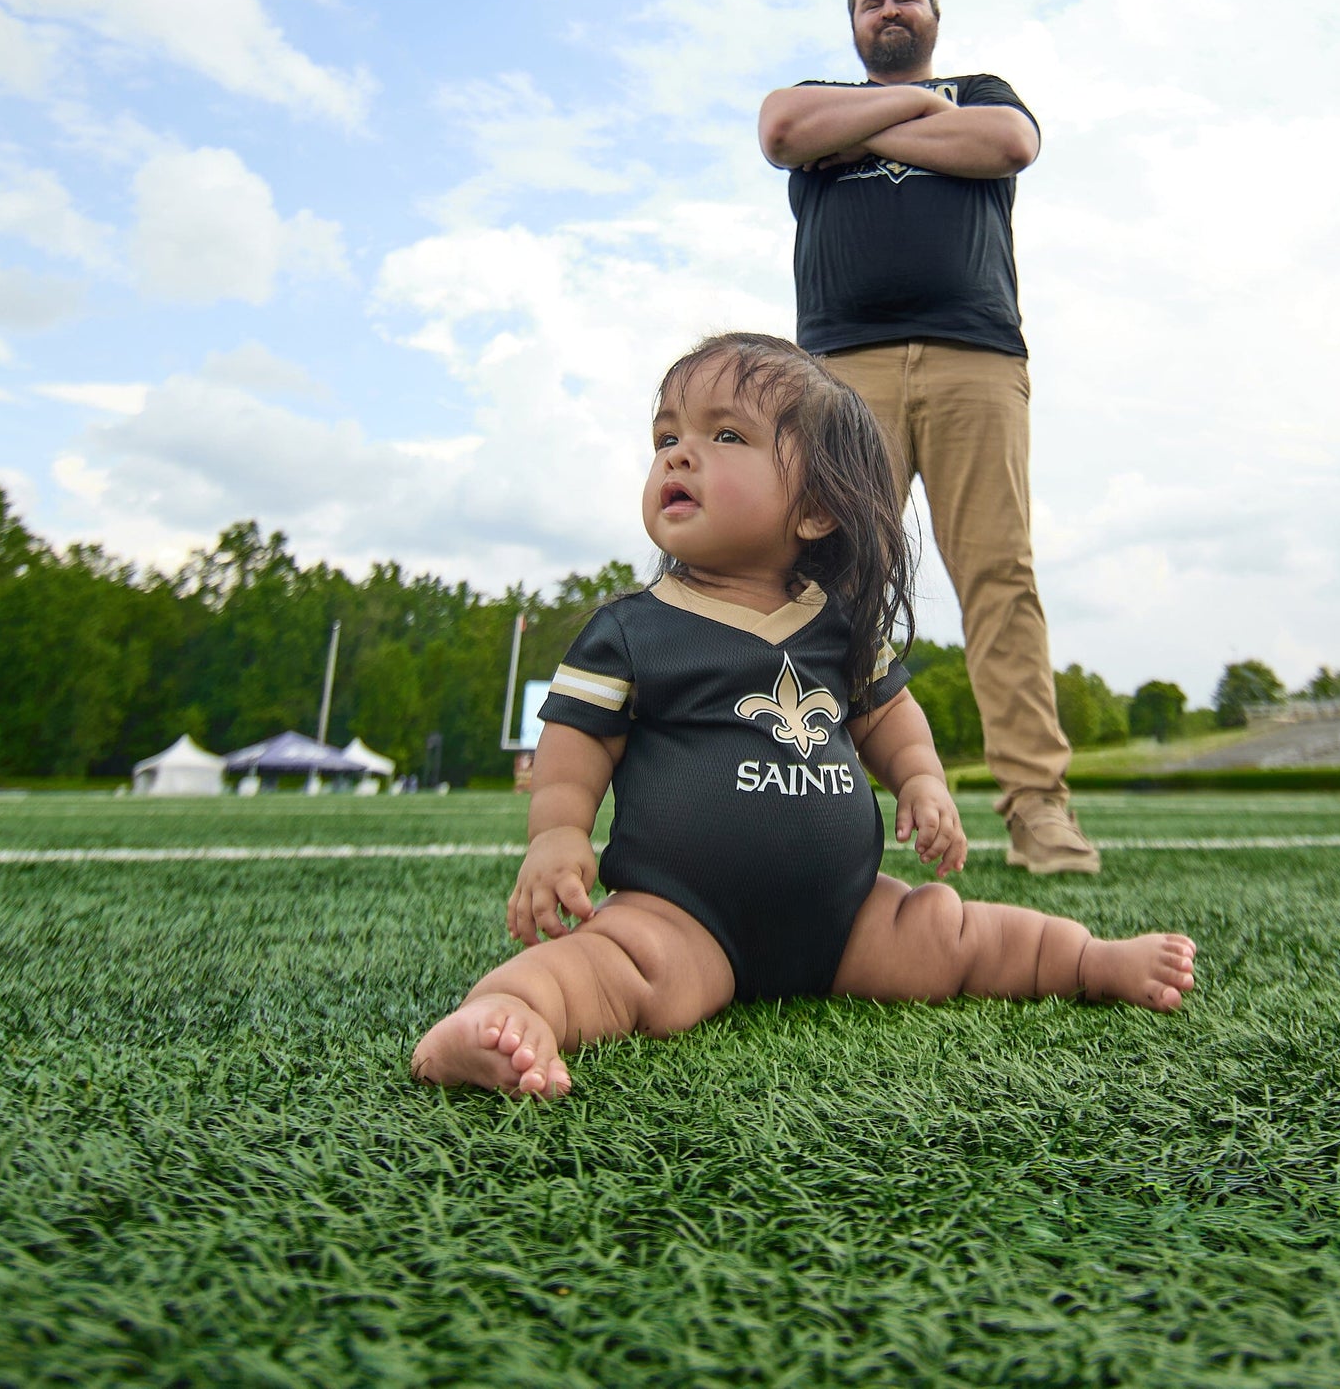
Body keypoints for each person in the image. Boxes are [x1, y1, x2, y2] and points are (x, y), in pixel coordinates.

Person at [411, 333, 1195, 1098]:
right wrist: (557, 837)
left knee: (955, 934)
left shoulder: (839, 623)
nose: (677, 454)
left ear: (817, 508)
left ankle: (1092, 961)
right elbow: (575, 744)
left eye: (725, 434)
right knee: (610, 970)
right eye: (666, 436)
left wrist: (922, 782)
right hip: (682, 918)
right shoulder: (632, 628)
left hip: (849, 916)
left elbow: (890, 719)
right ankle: (500, 1016)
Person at [756, 0, 1099, 875]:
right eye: (871, 1)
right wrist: (917, 120)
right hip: (838, 370)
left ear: (933, 15)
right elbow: (782, 130)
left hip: (974, 356)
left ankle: (1037, 809)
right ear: (855, 26)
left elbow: (1009, 146)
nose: (888, 9)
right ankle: (809, 804)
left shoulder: (980, 91)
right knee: (824, 580)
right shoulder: (815, 95)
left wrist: (858, 139)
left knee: (999, 576)